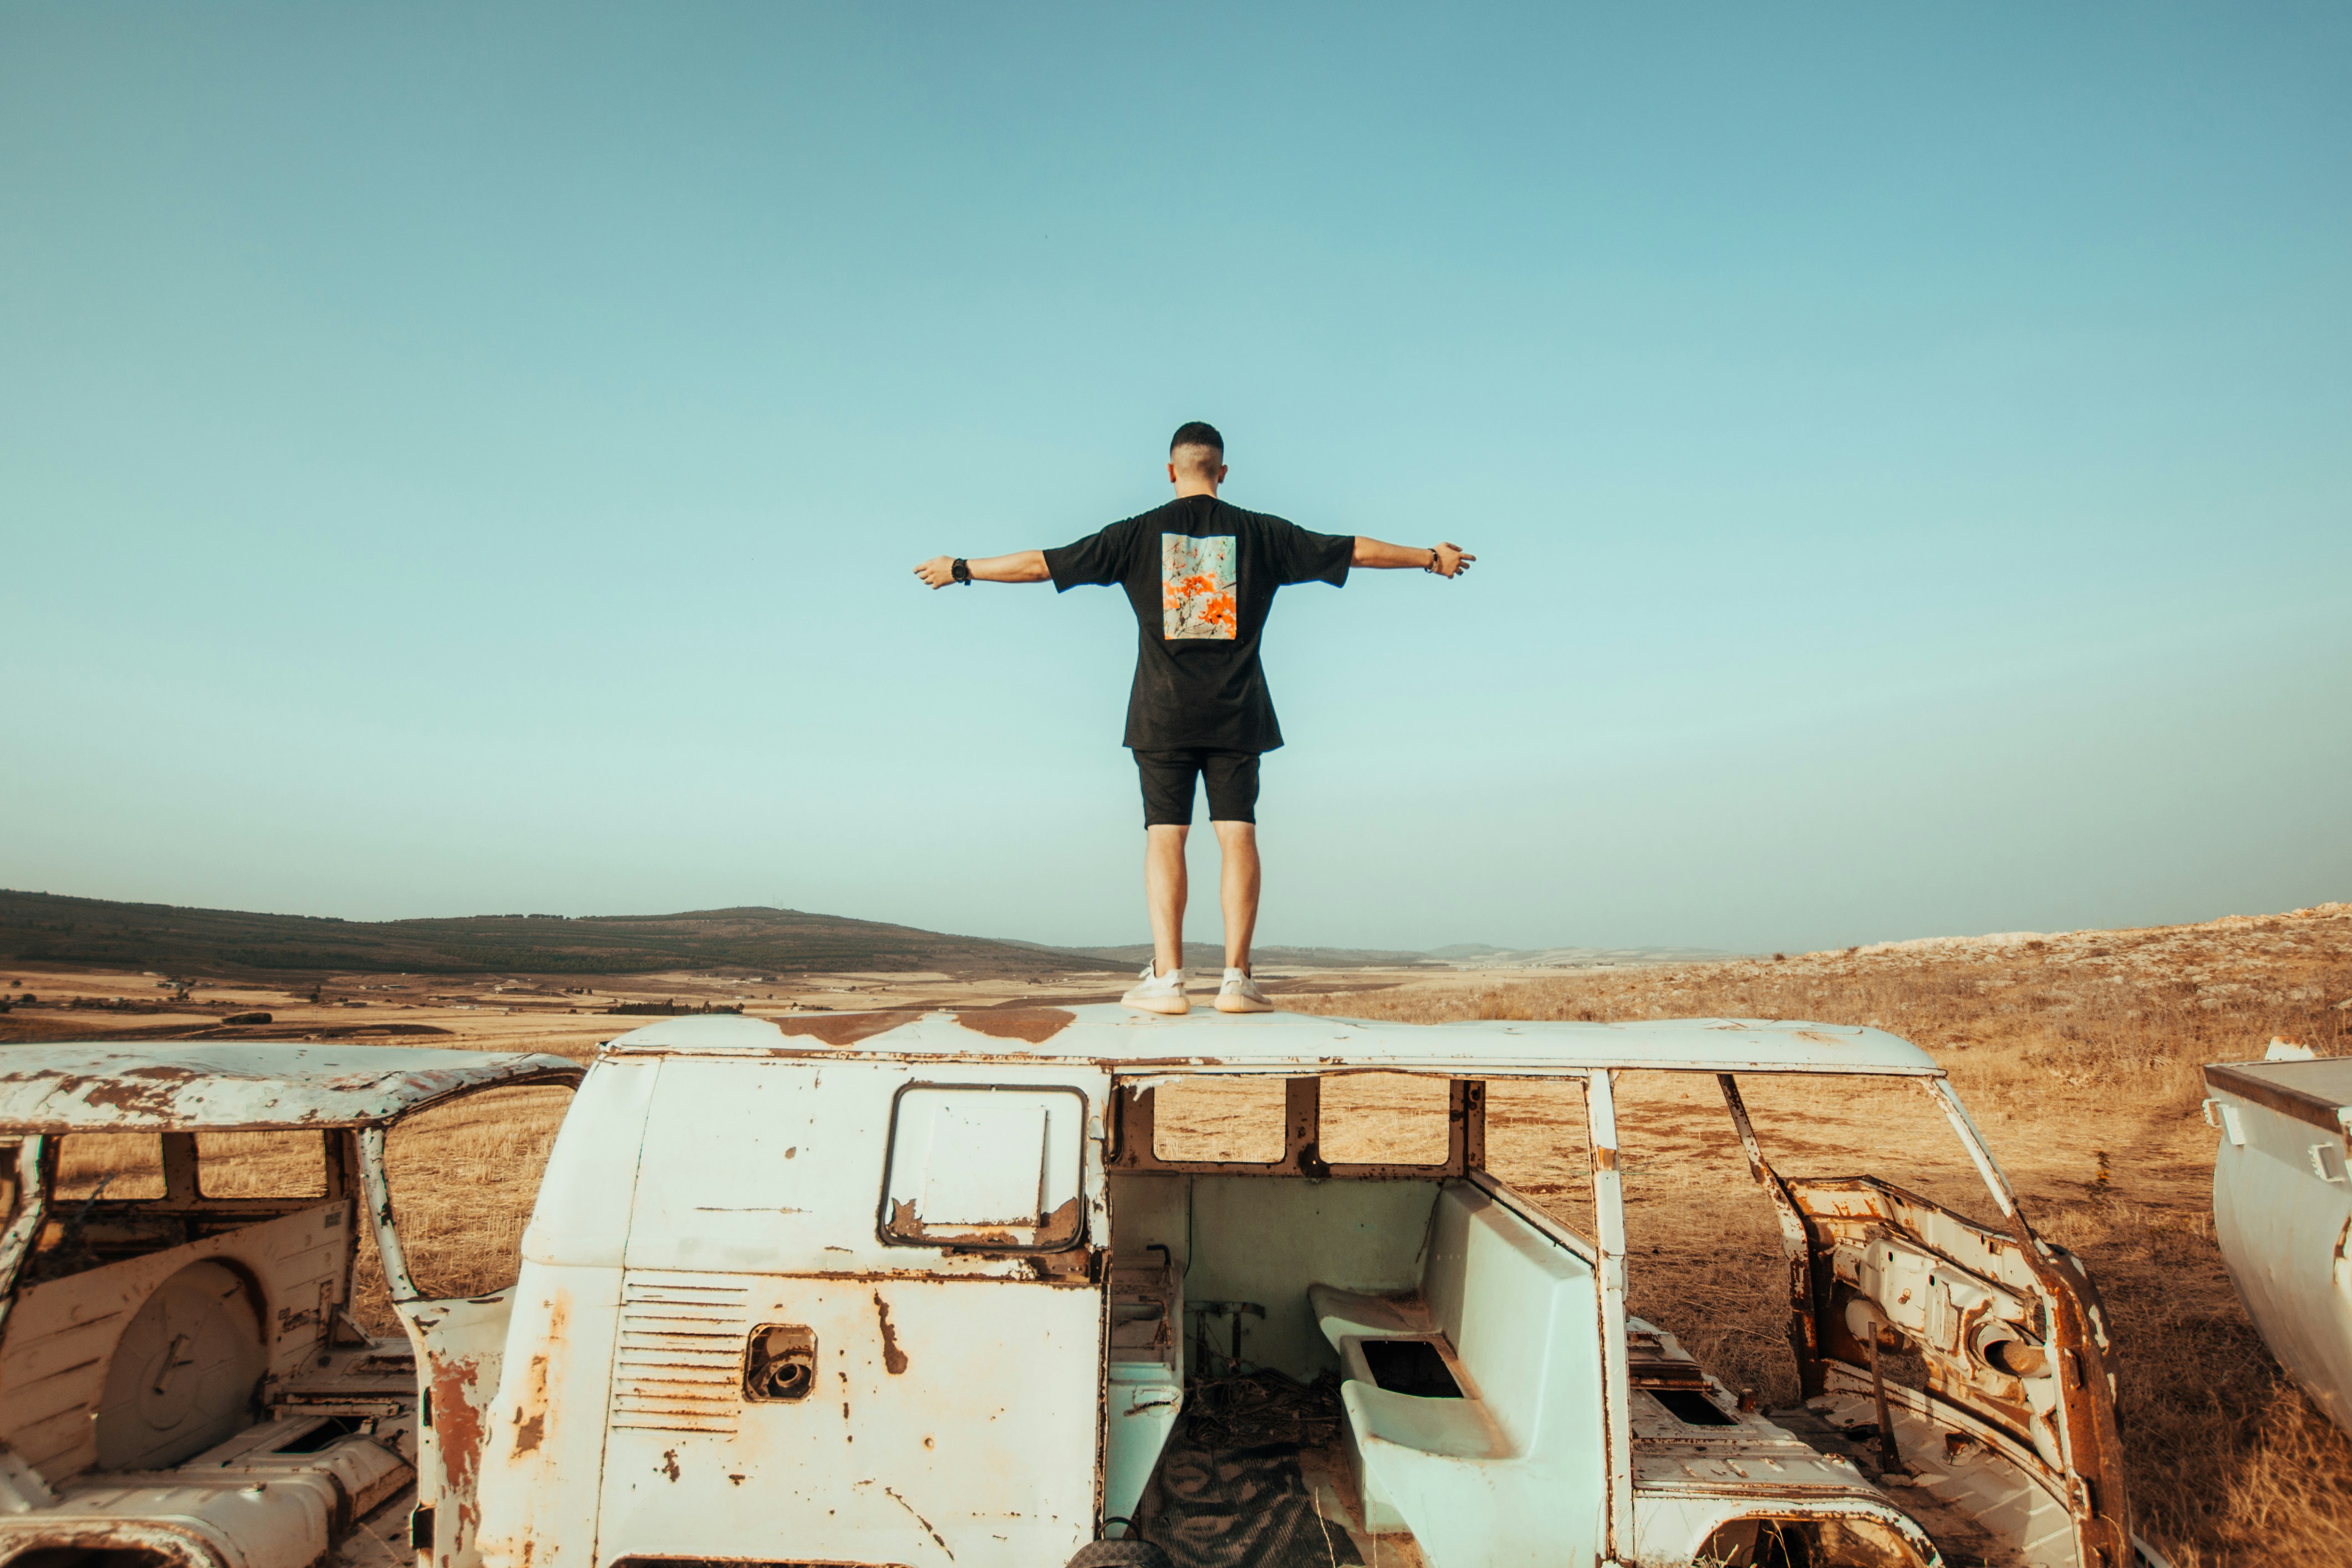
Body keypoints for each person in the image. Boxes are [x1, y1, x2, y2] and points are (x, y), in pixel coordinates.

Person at [914, 421, 1472, 1015]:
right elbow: (1352, 549)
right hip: (1237, 712)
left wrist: (962, 566)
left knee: (1165, 837)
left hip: (1162, 713)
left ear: (1170, 470)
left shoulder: (1135, 534)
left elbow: (1041, 565)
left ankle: (1169, 979)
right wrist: (1429, 558)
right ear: (1223, 471)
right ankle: (1236, 979)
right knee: (1238, 834)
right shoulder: (1263, 532)